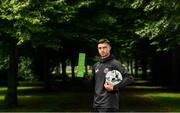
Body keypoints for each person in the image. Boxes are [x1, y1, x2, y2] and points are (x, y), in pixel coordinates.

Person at [91, 38, 133, 112]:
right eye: (99, 48)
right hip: (96, 105)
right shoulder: (96, 65)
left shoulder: (115, 63)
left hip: (109, 105)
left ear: (109, 48)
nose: (102, 50)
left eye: (104, 47)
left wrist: (114, 87)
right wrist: (81, 75)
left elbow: (129, 78)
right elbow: (91, 84)